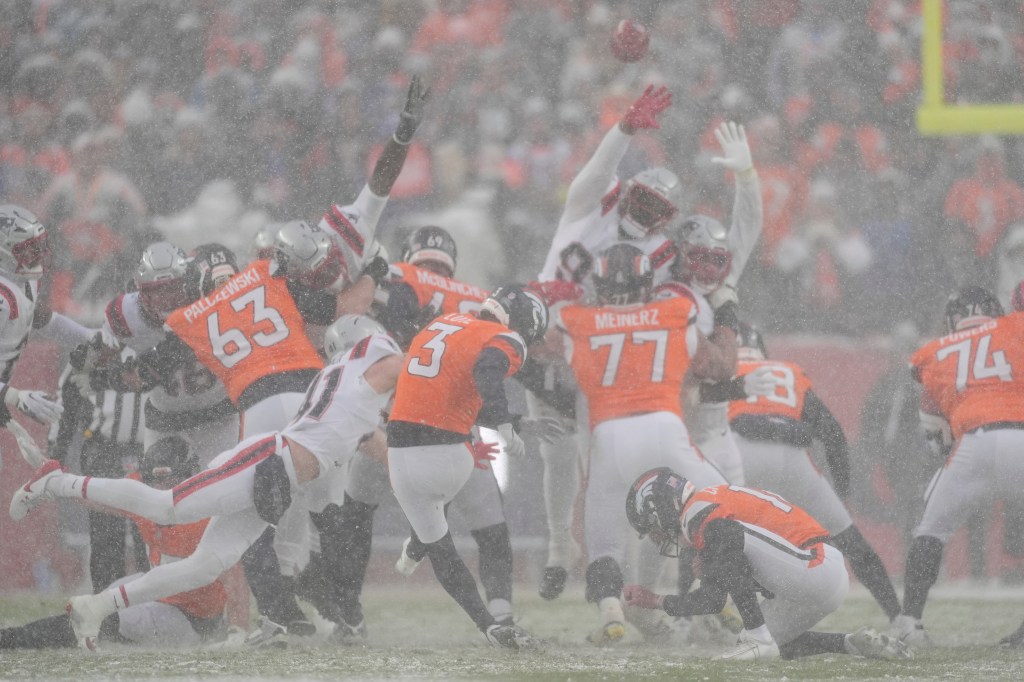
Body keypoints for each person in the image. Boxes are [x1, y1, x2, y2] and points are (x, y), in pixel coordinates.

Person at [10, 314, 404, 652]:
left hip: (278, 480)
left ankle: (97, 608)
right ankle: (55, 482)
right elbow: (400, 371)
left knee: (205, 565)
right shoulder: (368, 371)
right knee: (168, 506)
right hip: (266, 462)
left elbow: (385, 450)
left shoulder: (348, 388)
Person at [556, 243, 733, 644]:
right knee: (723, 505)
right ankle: (719, 587)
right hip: (664, 427)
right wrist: (727, 314)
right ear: (647, 283)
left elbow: (538, 353)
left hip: (610, 435)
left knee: (604, 540)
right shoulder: (674, 312)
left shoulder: (577, 320)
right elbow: (720, 367)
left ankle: (610, 610)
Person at [385, 285, 547, 650]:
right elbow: (487, 371)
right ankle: (420, 546)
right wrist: (506, 425)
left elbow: (450, 392)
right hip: (449, 453)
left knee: (440, 546)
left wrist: (511, 419)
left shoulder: (441, 323)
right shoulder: (506, 337)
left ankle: (486, 625)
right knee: (480, 512)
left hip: (398, 457)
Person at [710, 322, 901, 622]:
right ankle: (899, 617)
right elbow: (832, 432)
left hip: (740, 450)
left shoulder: (719, 373)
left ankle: (701, 612)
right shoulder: (787, 370)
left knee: (707, 524)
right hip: (792, 457)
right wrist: (842, 489)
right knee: (849, 539)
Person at [621, 468, 912, 661]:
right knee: (762, 644)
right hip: (815, 577)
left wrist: (711, 562)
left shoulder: (698, 512)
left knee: (758, 639)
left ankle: (759, 637)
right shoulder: (709, 503)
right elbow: (711, 599)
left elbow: (723, 550)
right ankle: (851, 643)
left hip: (814, 564)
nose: (657, 537)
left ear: (660, 508)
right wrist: (656, 601)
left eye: (653, 528)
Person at [1, 437, 226, 651]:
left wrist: (238, 628)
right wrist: (53, 480)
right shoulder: (143, 491)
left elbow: (236, 575)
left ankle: (12, 638)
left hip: (190, 617)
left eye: (169, 479)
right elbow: (94, 496)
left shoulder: (204, 517)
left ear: (190, 476)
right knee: (98, 601)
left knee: (97, 617)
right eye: (155, 480)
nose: (161, 487)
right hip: (159, 590)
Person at [892, 286, 1024, 646]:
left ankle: (910, 623)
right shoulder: (1016, 326)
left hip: (975, 443)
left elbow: (936, 434)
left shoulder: (936, 351)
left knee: (930, 531)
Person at [0, 204, 117, 428]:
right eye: (29, 249)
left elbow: (41, 318)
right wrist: (16, 397)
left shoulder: (21, 281)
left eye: (39, 247)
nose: (39, 255)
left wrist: (88, 336)